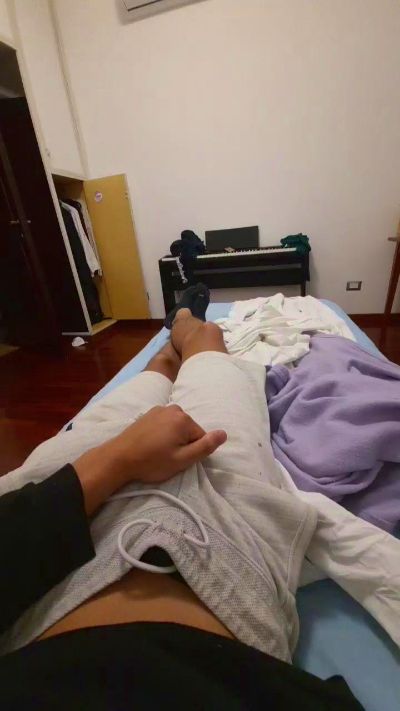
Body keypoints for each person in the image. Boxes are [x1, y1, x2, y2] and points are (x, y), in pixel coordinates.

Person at [0, 286, 363, 710]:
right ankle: (187, 324)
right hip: (228, 535)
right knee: (209, 343)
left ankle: (179, 326)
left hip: (65, 494)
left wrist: (118, 459)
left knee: (157, 370)